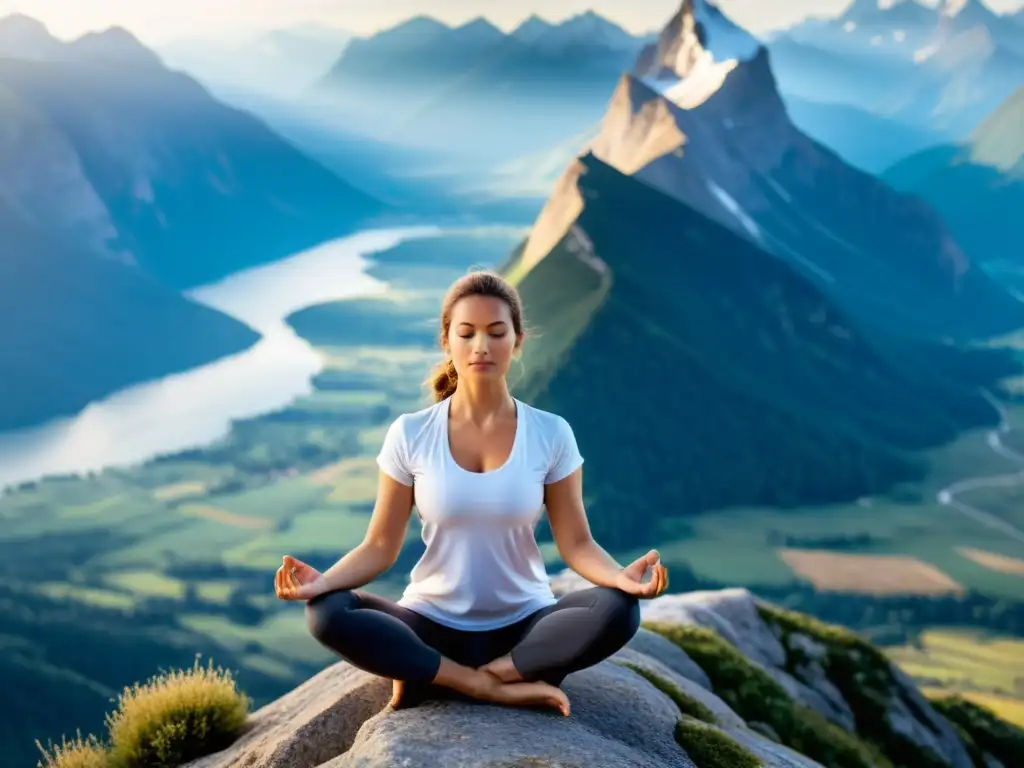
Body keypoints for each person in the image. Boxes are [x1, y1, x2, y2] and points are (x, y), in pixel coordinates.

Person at [274, 270, 669, 717]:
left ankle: (473, 673)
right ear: (448, 341)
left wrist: (619, 577)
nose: (481, 345)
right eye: (467, 333)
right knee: (326, 612)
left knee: (619, 609)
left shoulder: (551, 433)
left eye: (496, 333)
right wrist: (323, 582)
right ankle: (486, 684)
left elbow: (577, 543)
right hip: (429, 624)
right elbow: (379, 546)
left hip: (525, 628)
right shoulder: (410, 433)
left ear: (517, 341)